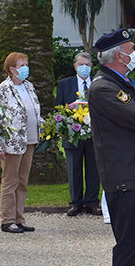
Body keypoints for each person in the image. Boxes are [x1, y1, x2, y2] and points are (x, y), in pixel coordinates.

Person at [87, 29, 135, 266]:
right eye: (131, 50)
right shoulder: (104, 88)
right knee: (129, 248)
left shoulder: (122, 84)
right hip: (124, 177)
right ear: (119, 57)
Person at [0, 52, 42, 234]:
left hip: (29, 139)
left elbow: (34, 110)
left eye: (26, 64)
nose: (26, 68)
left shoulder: (29, 86)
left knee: (23, 181)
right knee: (10, 181)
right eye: (22, 65)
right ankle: (7, 219)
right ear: (12, 69)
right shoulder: (3, 89)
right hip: (11, 142)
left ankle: (19, 218)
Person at [54, 52, 101, 217]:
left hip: (94, 134)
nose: (84, 67)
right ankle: (75, 203)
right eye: (81, 64)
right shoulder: (65, 84)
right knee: (73, 169)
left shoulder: (98, 83)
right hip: (72, 134)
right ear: (75, 66)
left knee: (94, 169)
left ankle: (92, 202)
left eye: (87, 65)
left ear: (91, 66)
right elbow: (57, 107)